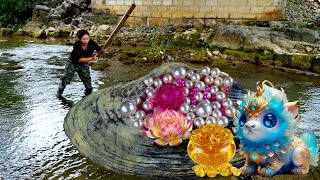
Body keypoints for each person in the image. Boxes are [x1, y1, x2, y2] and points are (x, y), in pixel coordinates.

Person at [57, 29, 103, 97]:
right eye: (84, 39)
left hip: (84, 64)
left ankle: (87, 96)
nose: (86, 41)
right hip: (73, 63)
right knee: (65, 79)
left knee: (87, 81)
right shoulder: (77, 45)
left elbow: (99, 49)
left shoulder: (91, 43)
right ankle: (59, 94)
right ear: (79, 39)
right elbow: (79, 59)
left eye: (87, 39)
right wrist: (92, 58)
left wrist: (102, 51)